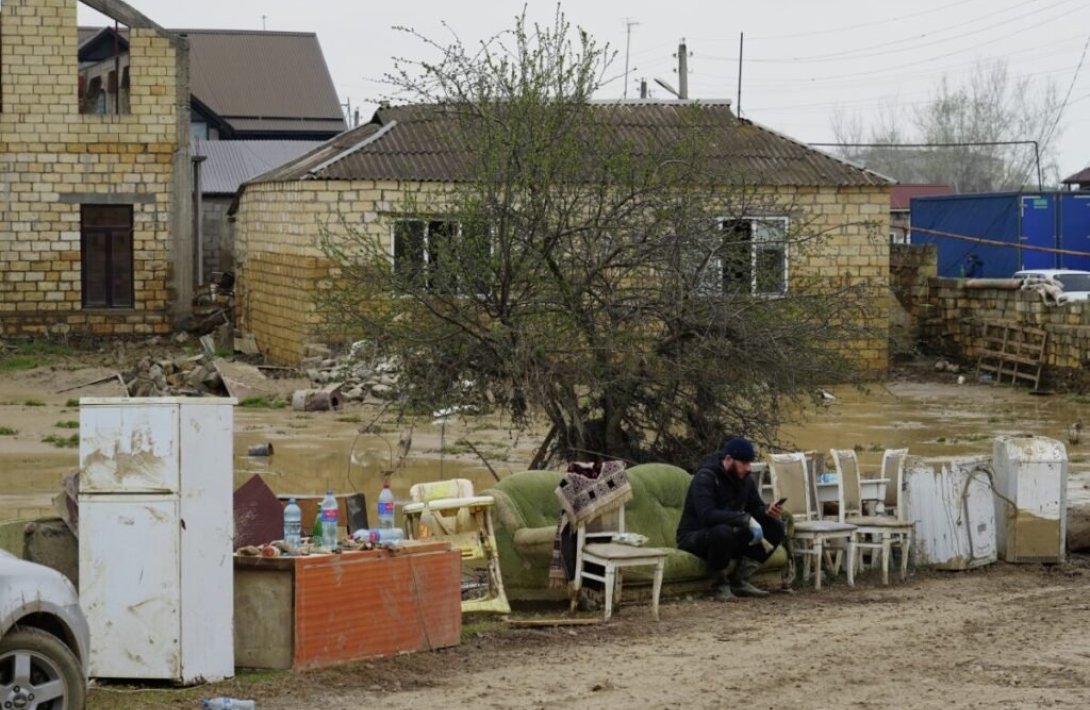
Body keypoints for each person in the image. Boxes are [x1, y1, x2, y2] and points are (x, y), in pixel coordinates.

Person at [676, 437, 785, 600]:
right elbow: (707, 515)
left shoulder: (745, 480)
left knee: (775, 527)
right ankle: (719, 585)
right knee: (722, 531)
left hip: (728, 538)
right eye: (744, 463)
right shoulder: (705, 477)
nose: (748, 468)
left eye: (750, 463)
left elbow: (755, 507)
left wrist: (767, 510)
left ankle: (740, 580)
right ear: (728, 459)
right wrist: (743, 518)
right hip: (695, 537)